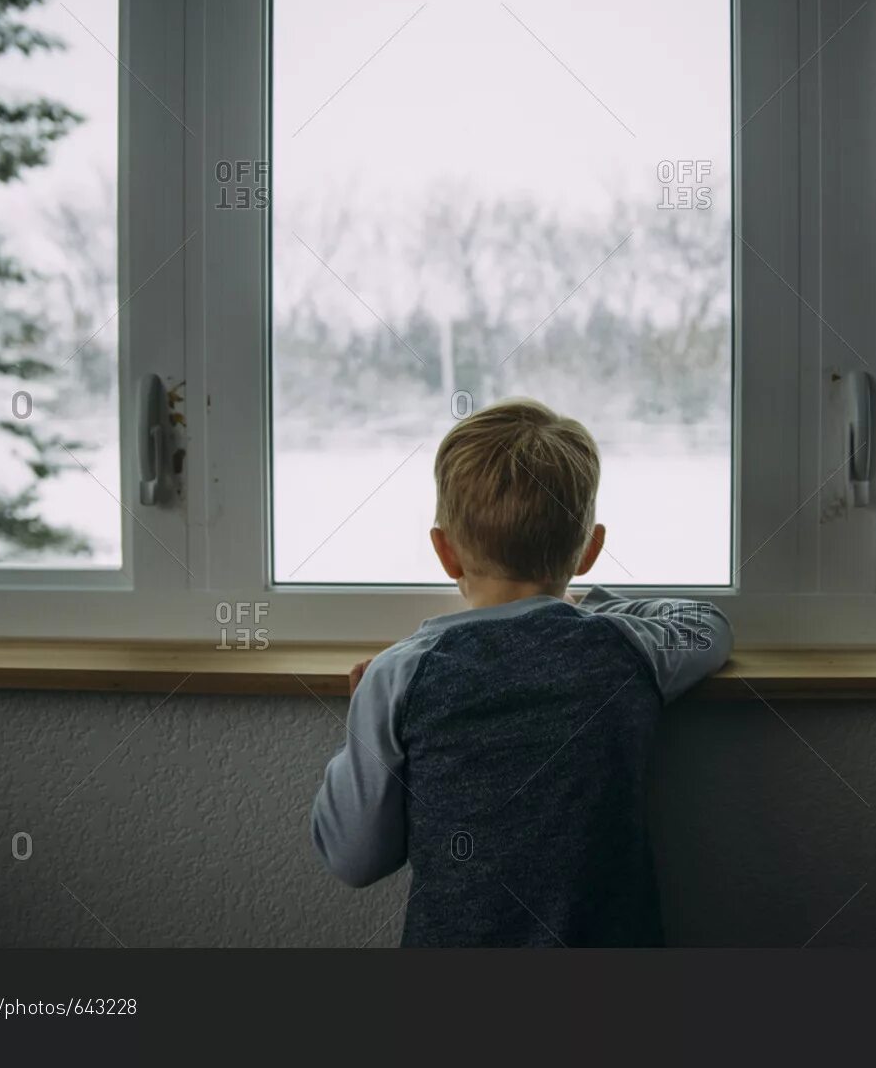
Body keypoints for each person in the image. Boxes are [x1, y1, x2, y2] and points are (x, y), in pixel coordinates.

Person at [310, 398, 732, 945]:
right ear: (589, 549)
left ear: (445, 553)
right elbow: (708, 625)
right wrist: (587, 611)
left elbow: (355, 859)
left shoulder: (397, 677)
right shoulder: (624, 648)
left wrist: (360, 725)